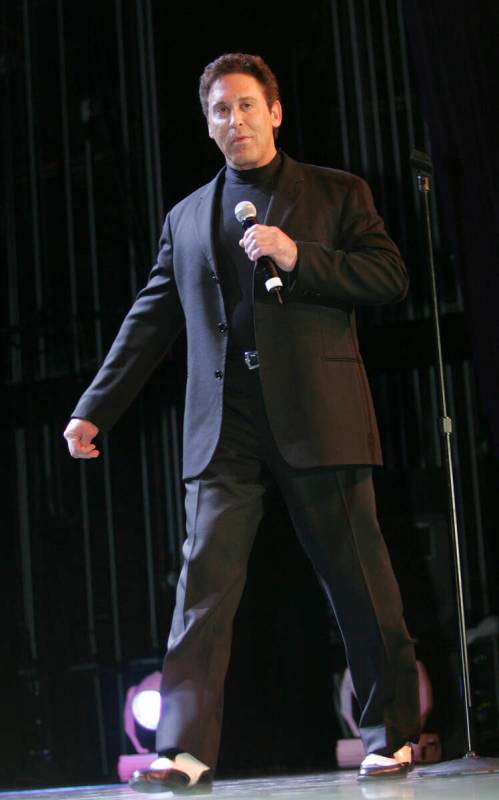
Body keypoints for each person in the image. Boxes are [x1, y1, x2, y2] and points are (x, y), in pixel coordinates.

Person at [64, 53, 420, 790]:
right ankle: (182, 752)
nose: (236, 121)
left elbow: (388, 277)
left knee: (357, 579)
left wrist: (302, 256)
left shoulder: (335, 193)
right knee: (203, 589)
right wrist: (93, 409)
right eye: (221, 110)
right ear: (208, 125)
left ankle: (391, 734)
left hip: (318, 414)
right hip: (224, 423)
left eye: (248, 106)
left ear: (275, 112)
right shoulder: (188, 217)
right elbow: (149, 319)